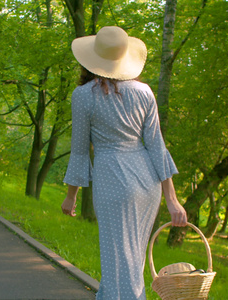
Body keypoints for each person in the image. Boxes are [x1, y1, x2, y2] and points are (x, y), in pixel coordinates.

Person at [61, 26, 188, 300]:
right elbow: (156, 146)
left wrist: (71, 195)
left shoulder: (83, 96)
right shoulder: (144, 92)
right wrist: (172, 199)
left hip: (112, 180)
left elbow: (80, 151)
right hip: (147, 184)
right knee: (130, 262)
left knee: (119, 262)